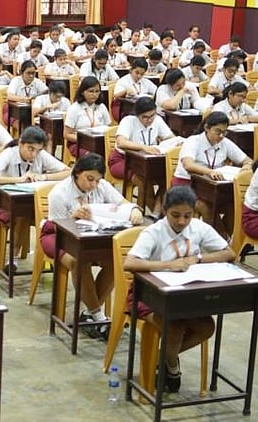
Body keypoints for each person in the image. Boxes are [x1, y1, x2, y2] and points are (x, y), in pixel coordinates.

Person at [124, 186, 233, 392]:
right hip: (149, 297)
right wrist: (168, 265)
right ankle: (172, 367)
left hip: (184, 297)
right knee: (173, 325)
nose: (181, 221)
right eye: (175, 215)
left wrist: (198, 258)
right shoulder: (154, 232)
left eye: (187, 216)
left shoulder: (199, 228)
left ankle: (161, 358)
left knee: (207, 327)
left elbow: (228, 253)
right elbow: (129, 263)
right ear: (165, 211)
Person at [40, 153, 144, 339]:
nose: (94, 185)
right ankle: (98, 316)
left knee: (117, 261)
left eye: (97, 180)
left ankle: (89, 314)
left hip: (92, 237)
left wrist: (135, 209)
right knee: (78, 261)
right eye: (89, 179)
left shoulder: (101, 186)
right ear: (77, 173)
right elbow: (57, 227)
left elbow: (124, 204)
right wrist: (72, 218)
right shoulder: (59, 193)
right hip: (59, 236)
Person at [172, 111, 252, 235]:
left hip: (213, 187)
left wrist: (247, 166)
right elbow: (188, 165)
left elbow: (247, 160)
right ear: (207, 128)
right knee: (205, 206)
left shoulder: (225, 142)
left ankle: (230, 237)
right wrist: (209, 172)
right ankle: (221, 239)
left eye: (224, 132)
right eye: (218, 131)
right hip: (187, 186)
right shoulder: (193, 141)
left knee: (233, 204)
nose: (221, 136)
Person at [109, 97, 175, 216]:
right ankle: (156, 214)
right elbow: (121, 142)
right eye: (145, 117)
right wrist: (144, 147)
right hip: (124, 161)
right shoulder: (128, 121)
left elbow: (171, 138)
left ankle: (157, 212)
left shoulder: (157, 120)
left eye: (152, 116)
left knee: (167, 178)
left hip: (148, 162)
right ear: (137, 115)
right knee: (143, 180)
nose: (149, 120)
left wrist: (166, 145)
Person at [64, 76, 111, 158]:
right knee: (92, 157)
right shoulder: (74, 108)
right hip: (78, 144)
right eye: (91, 91)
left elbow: (108, 128)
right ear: (82, 92)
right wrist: (86, 141)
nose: (94, 94)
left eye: (97, 91)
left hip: (99, 143)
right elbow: (67, 134)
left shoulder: (102, 107)